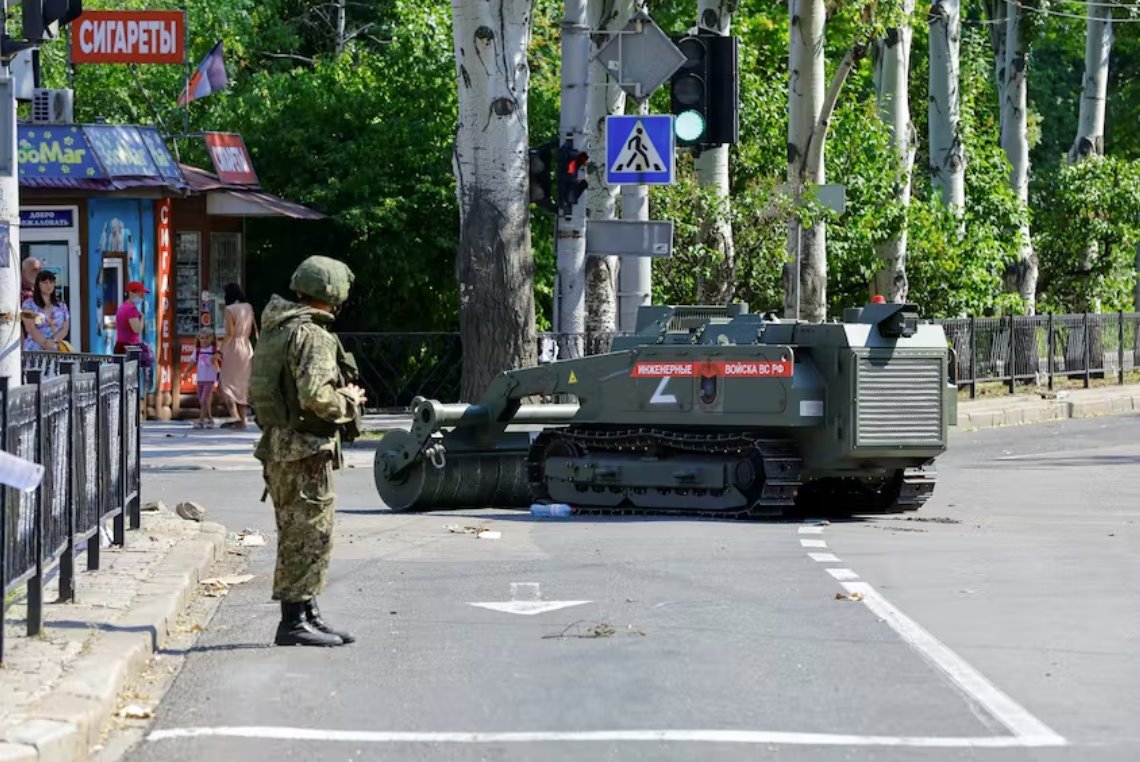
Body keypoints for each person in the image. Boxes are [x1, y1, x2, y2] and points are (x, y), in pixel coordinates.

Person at [249, 256, 367, 648]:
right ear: (332, 292)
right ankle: (294, 622)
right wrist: (349, 401)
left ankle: (307, 613)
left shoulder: (277, 327)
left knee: (300, 534)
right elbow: (315, 396)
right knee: (308, 535)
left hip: (281, 446)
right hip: (305, 450)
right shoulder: (312, 335)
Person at [218, 283, 256, 429]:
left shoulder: (229, 310)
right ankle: (243, 420)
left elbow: (230, 333)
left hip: (233, 348)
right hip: (246, 347)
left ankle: (234, 416)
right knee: (242, 384)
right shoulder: (249, 307)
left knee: (224, 384)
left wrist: (220, 351)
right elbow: (251, 329)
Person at [21, 270, 69, 351]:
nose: (49, 285)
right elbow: (30, 328)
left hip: (56, 349)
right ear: (38, 284)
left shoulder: (62, 306)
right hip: (34, 349)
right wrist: (45, 343)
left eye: (51, 282)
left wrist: (53, 341)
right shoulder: (28, 304)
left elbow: (65, 329)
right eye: (45, 282)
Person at [193, 329, 221, 429]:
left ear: (212, 338)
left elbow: (219, 360)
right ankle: (210, 418)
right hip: (200, 378)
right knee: (202, 400)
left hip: (210, 378)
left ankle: (201, 421)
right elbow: (193, 362)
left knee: (204, 399)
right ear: (199, 339)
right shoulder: (198, 350)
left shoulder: (214, 350)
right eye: (202, 338)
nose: (204, 340)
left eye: (207, 338)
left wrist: (216, 358)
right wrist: (186, 372)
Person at [114, 281, 148, 355]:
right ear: (131, 293)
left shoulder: (122, 307)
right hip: (128, 347)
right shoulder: (131, 309)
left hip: (120, 346)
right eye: (140, 294)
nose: (142, 297)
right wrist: (142, 318)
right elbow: (137, 329)